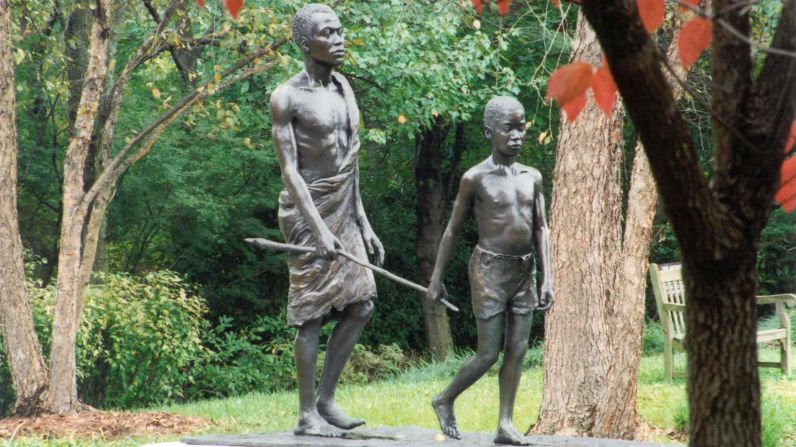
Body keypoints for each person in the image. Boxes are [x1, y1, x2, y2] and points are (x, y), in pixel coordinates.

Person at [269, 4, 384, 438]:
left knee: (362, 305)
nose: (339, 40)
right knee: (311, 314)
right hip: (305, 213)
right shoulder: (286, 97)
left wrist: (364, 223)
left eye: (340, 32)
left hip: (344, 210)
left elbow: (349, 168)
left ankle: (326, 400)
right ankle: (305, 415)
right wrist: (318, 229)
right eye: (328, 33)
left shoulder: (343, 89)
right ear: (304, 43)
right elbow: (291, 171)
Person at [426, 96, 554, 446]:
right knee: (488, 353)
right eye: (508, 129)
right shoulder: (475, 178)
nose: (517, 135)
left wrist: (548, 277)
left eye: (521, 127)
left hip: (524, 271)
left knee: (519, 347)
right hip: (489, 270)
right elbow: (452, 230)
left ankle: (505, 423)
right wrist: (436, 279)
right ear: (488, 132)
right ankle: (445, 398)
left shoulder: (533, 177)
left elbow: (542, 228)